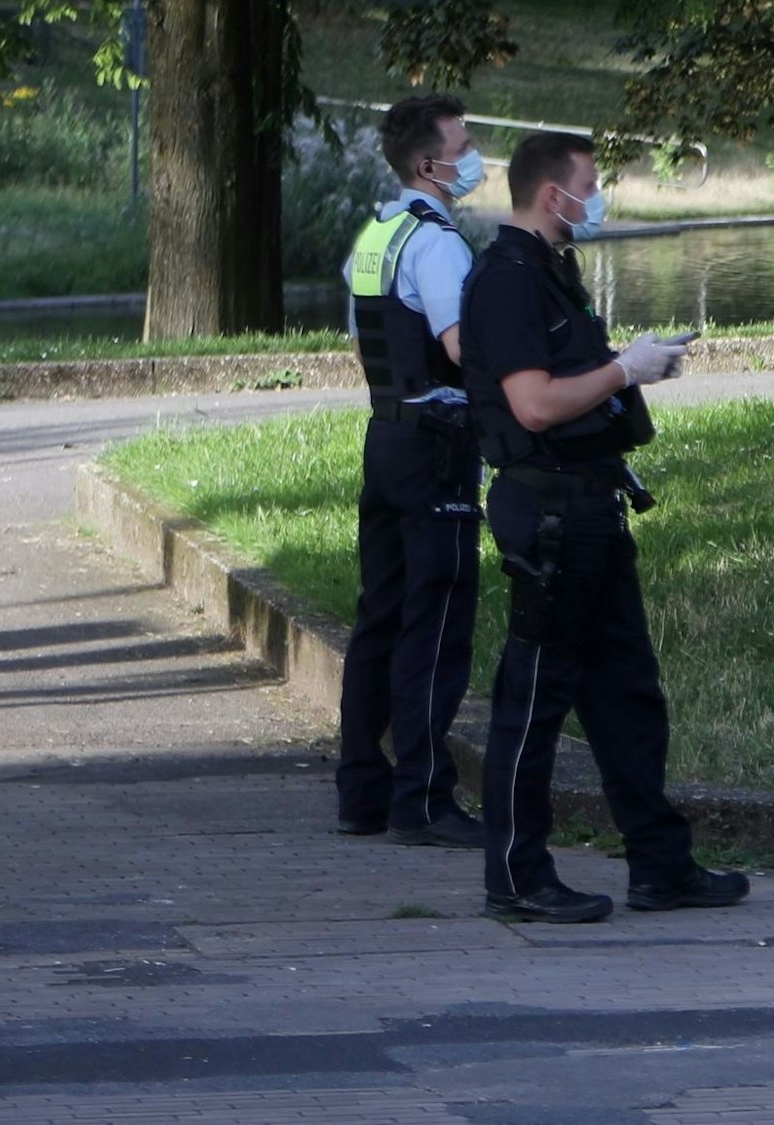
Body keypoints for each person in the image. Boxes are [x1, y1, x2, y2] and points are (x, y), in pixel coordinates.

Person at [460, 130, 746, 924]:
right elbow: (535, 404)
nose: (597, 198)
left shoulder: (553, 271)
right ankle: (517, 875)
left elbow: (573, 383)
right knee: (535, 699)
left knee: (627, 694)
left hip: (590, 504)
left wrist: (631, 363)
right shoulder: (509, 281)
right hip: (547, 511)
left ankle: (661, 864)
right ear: (554, 195)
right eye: (590, 184)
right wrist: (625, 370)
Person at [334, 95, 489, 848]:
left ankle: (360, 792)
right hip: (435, 445)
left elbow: (366, 337)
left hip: (385, 435)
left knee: (380, 617)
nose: (475, 154)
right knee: (437, 619)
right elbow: (463, 347)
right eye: (465, 144)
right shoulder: (439, 245)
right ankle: (423, 799)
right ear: (429, 165)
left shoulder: (376, 235)